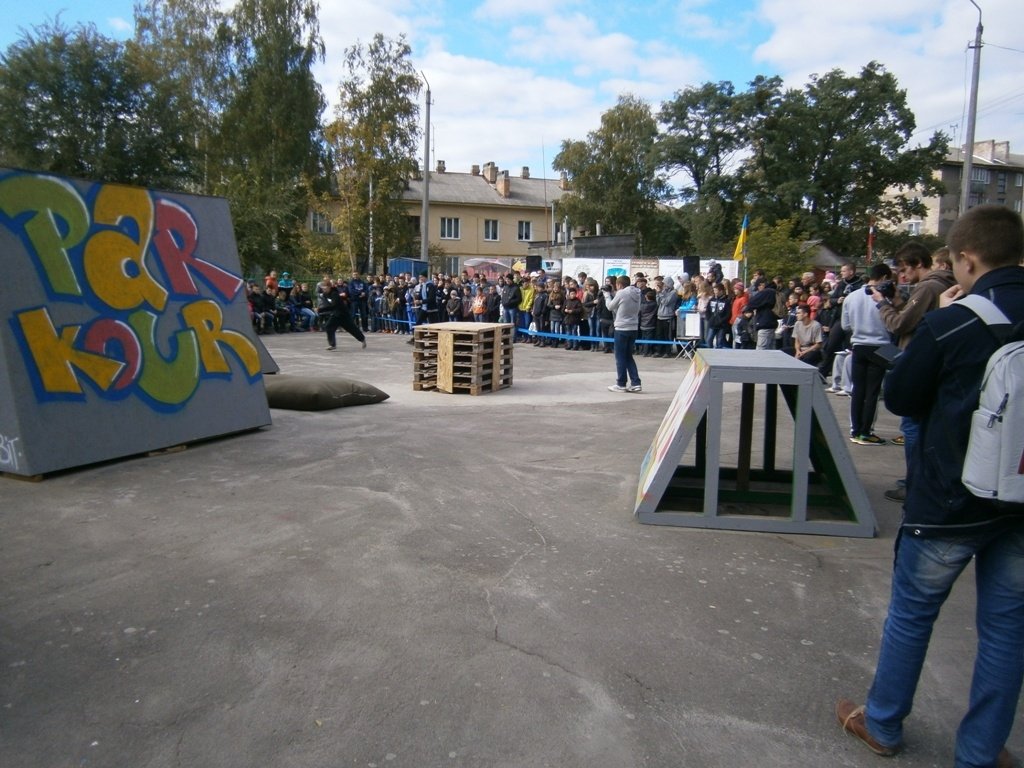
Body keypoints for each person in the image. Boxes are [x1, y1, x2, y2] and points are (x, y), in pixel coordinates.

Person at [836, 204, 1024, 768]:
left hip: (950, 496)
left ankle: (883, 722)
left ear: (967, 258)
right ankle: (980, 750)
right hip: (1019, 495)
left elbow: (901, 398)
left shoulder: (956, 320)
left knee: (913, 615)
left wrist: (935, 328)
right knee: (1007, 629)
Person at [871, 242, 957, 501]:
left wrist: (882, 304)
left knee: (912, 426)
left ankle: (915, 483)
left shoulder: (929, 287)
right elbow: (912, 317)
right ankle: (918, 480)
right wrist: (898, 300)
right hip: (932, 361)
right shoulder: (943, 285)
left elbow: (899, 324)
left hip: (919, 361)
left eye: (903, 269)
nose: (901, 275)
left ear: (918, 264)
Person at [840, 263, 893, 445]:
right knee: (872, 392)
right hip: (881, 345)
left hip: (858, 344)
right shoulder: (886, 298)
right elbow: (894, 323)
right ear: (884, 278)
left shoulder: (851, 297)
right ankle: (866, 431)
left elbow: (845, 326)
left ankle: (855, 430)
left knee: (858, 389)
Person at [606, 275, 641, 393]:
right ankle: (636, 382)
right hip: (633, 327)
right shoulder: (637, 293)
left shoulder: (621, 293)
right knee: (628, 356)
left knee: (620, 357)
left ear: (619, 285)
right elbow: (620, 307)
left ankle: (621, 383)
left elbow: (610, 307)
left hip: (622, 328)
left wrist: (607, 295)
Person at [320, 279, 367, 351]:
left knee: (351, 328)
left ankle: (362, 339)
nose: (323, 289)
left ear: (329, 287)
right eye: (322, 287)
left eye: (325, 287)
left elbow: (334, 306)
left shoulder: (334, 294)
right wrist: (322, 309)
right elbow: (327, 304)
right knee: (328, 327)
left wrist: (321, 309)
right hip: (335, 314)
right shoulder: (325, 295)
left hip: (343, 314)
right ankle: (332, 345)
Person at [745, 277, 778, 350]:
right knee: (771, 349)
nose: (758, 290)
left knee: (761, 349)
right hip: (772, 323)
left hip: (765, 323)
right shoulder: (774, 291)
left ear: (761, 285)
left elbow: (751, 302)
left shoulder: (767, 292)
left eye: (758, 287)